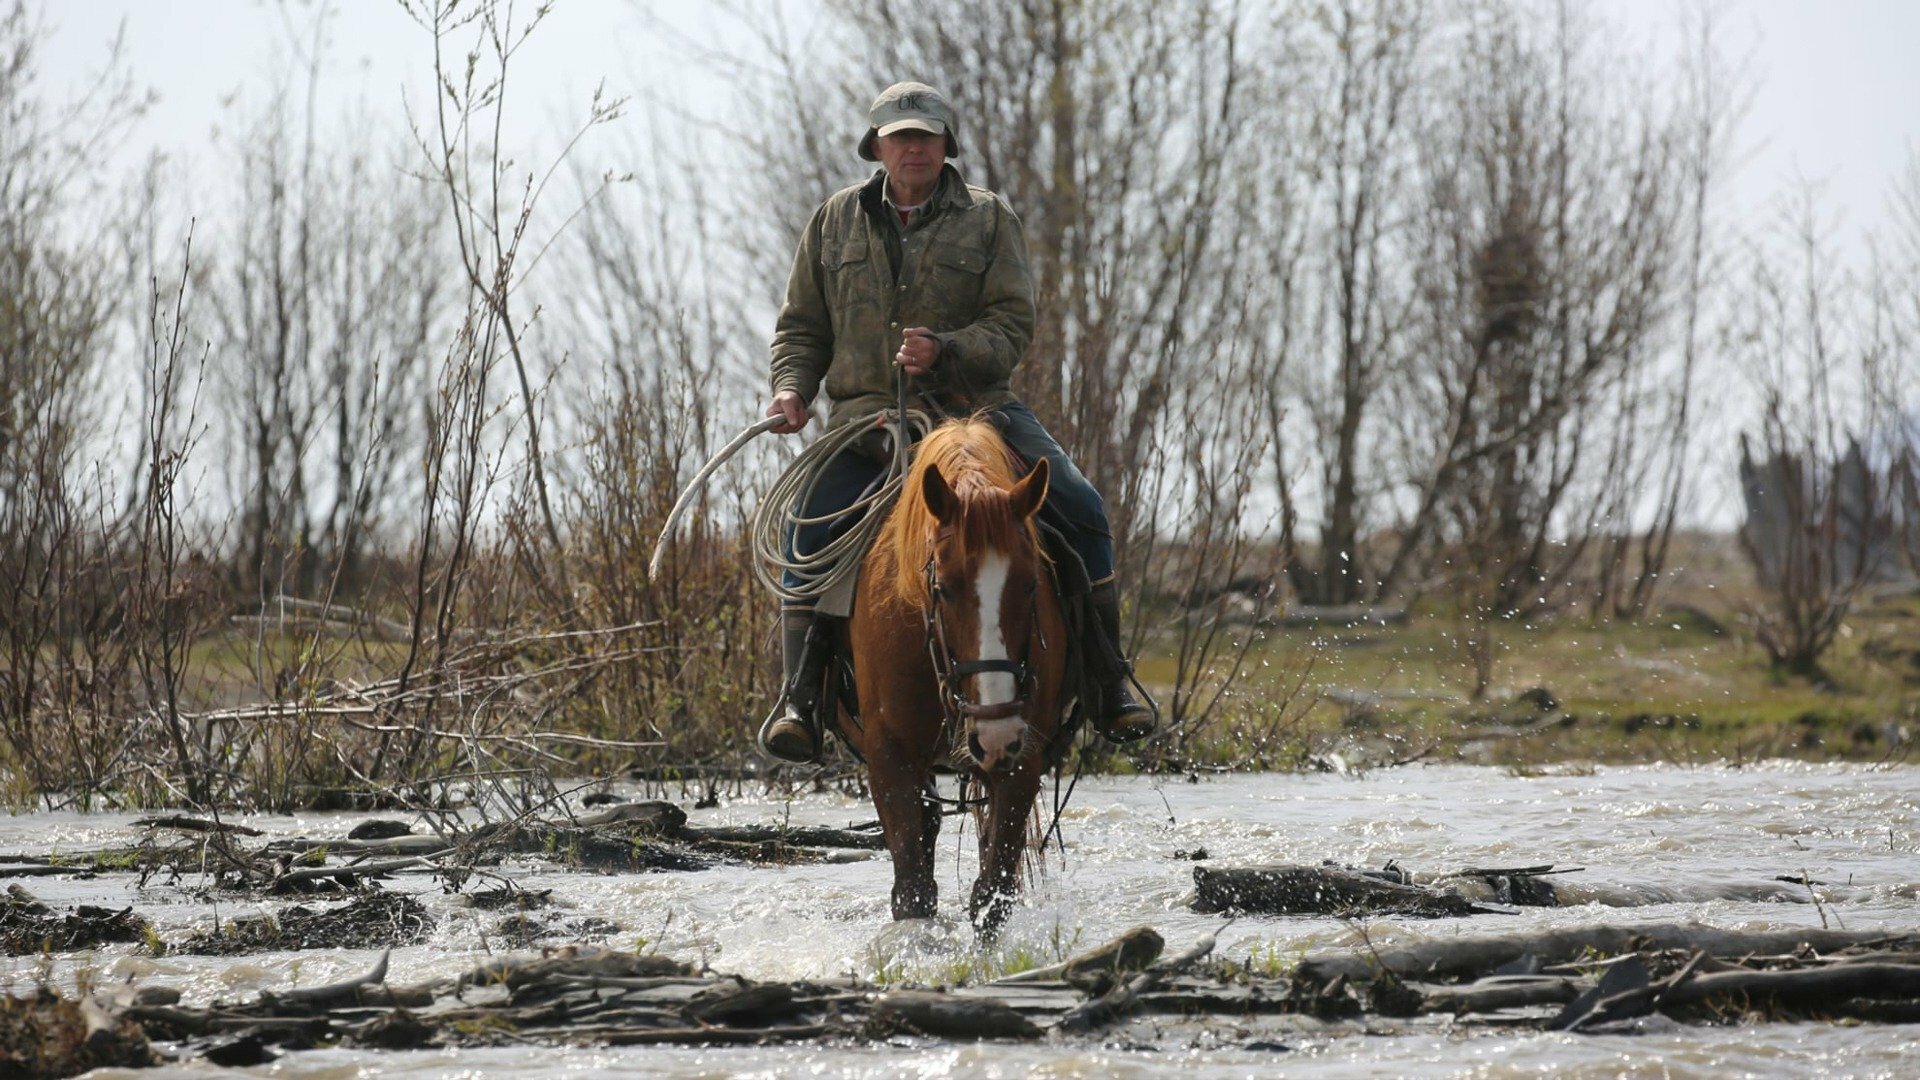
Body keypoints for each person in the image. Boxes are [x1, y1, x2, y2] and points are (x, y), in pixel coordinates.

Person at [756, 81, 1155, 762]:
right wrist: (792, 389)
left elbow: (1012, 322)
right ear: (877, 146)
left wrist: (948, 349)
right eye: (901, 136)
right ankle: (800, 696)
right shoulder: (833, 222)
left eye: (927, 136)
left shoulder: (989, 219)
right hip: (864, 422)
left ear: (946, 146)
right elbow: (801, 329)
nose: (914, 148)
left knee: (1082, 506)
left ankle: (1108, 678)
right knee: (804, 530)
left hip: (978, 414)